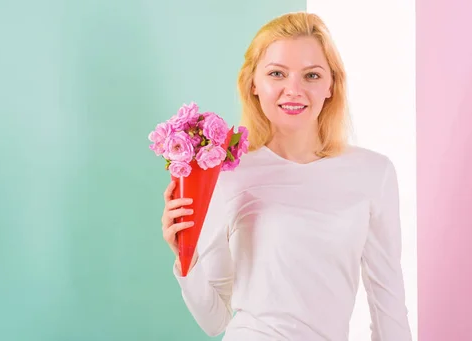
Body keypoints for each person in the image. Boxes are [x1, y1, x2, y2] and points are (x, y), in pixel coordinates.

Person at [160, 11, 412, 341]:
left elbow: (388, 300)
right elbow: (215, 320)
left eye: (311, 75)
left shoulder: (372, 173)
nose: (293, 90)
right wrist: (184, 253)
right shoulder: (229, 174)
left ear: (331, 85)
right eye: (277, 73)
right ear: (253, 83)